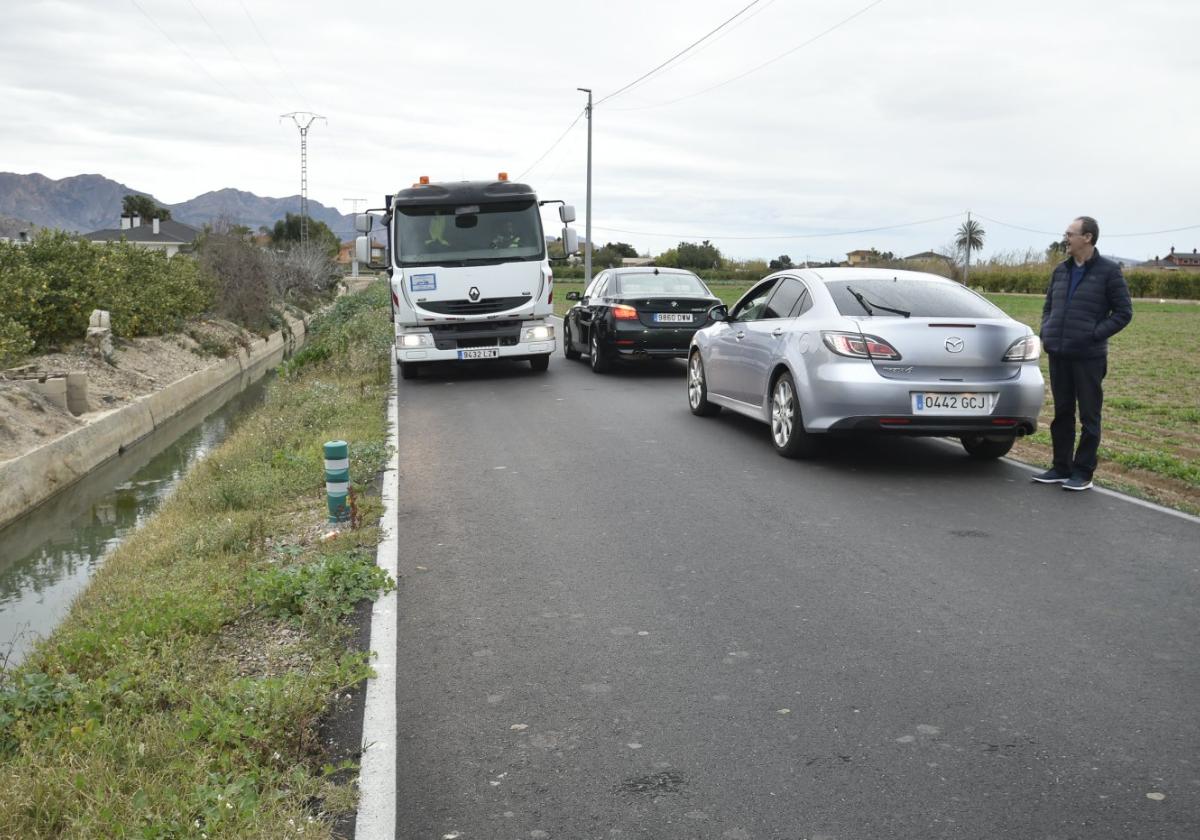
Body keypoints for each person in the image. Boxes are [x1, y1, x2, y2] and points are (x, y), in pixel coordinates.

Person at [1032, 215, 1132, 491]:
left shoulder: (1109, 271)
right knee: (1062, 413)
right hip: (1059, 352)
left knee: (1089, 416)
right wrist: (1047, 331)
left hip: (1089, 356)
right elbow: (1049, 307)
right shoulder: (1060, 271)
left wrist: (1093, 334)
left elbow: (1124, 313)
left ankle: (1083, 472)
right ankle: (1060, 467)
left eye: (1070, 233)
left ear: (1087, 237)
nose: (1066, 238)